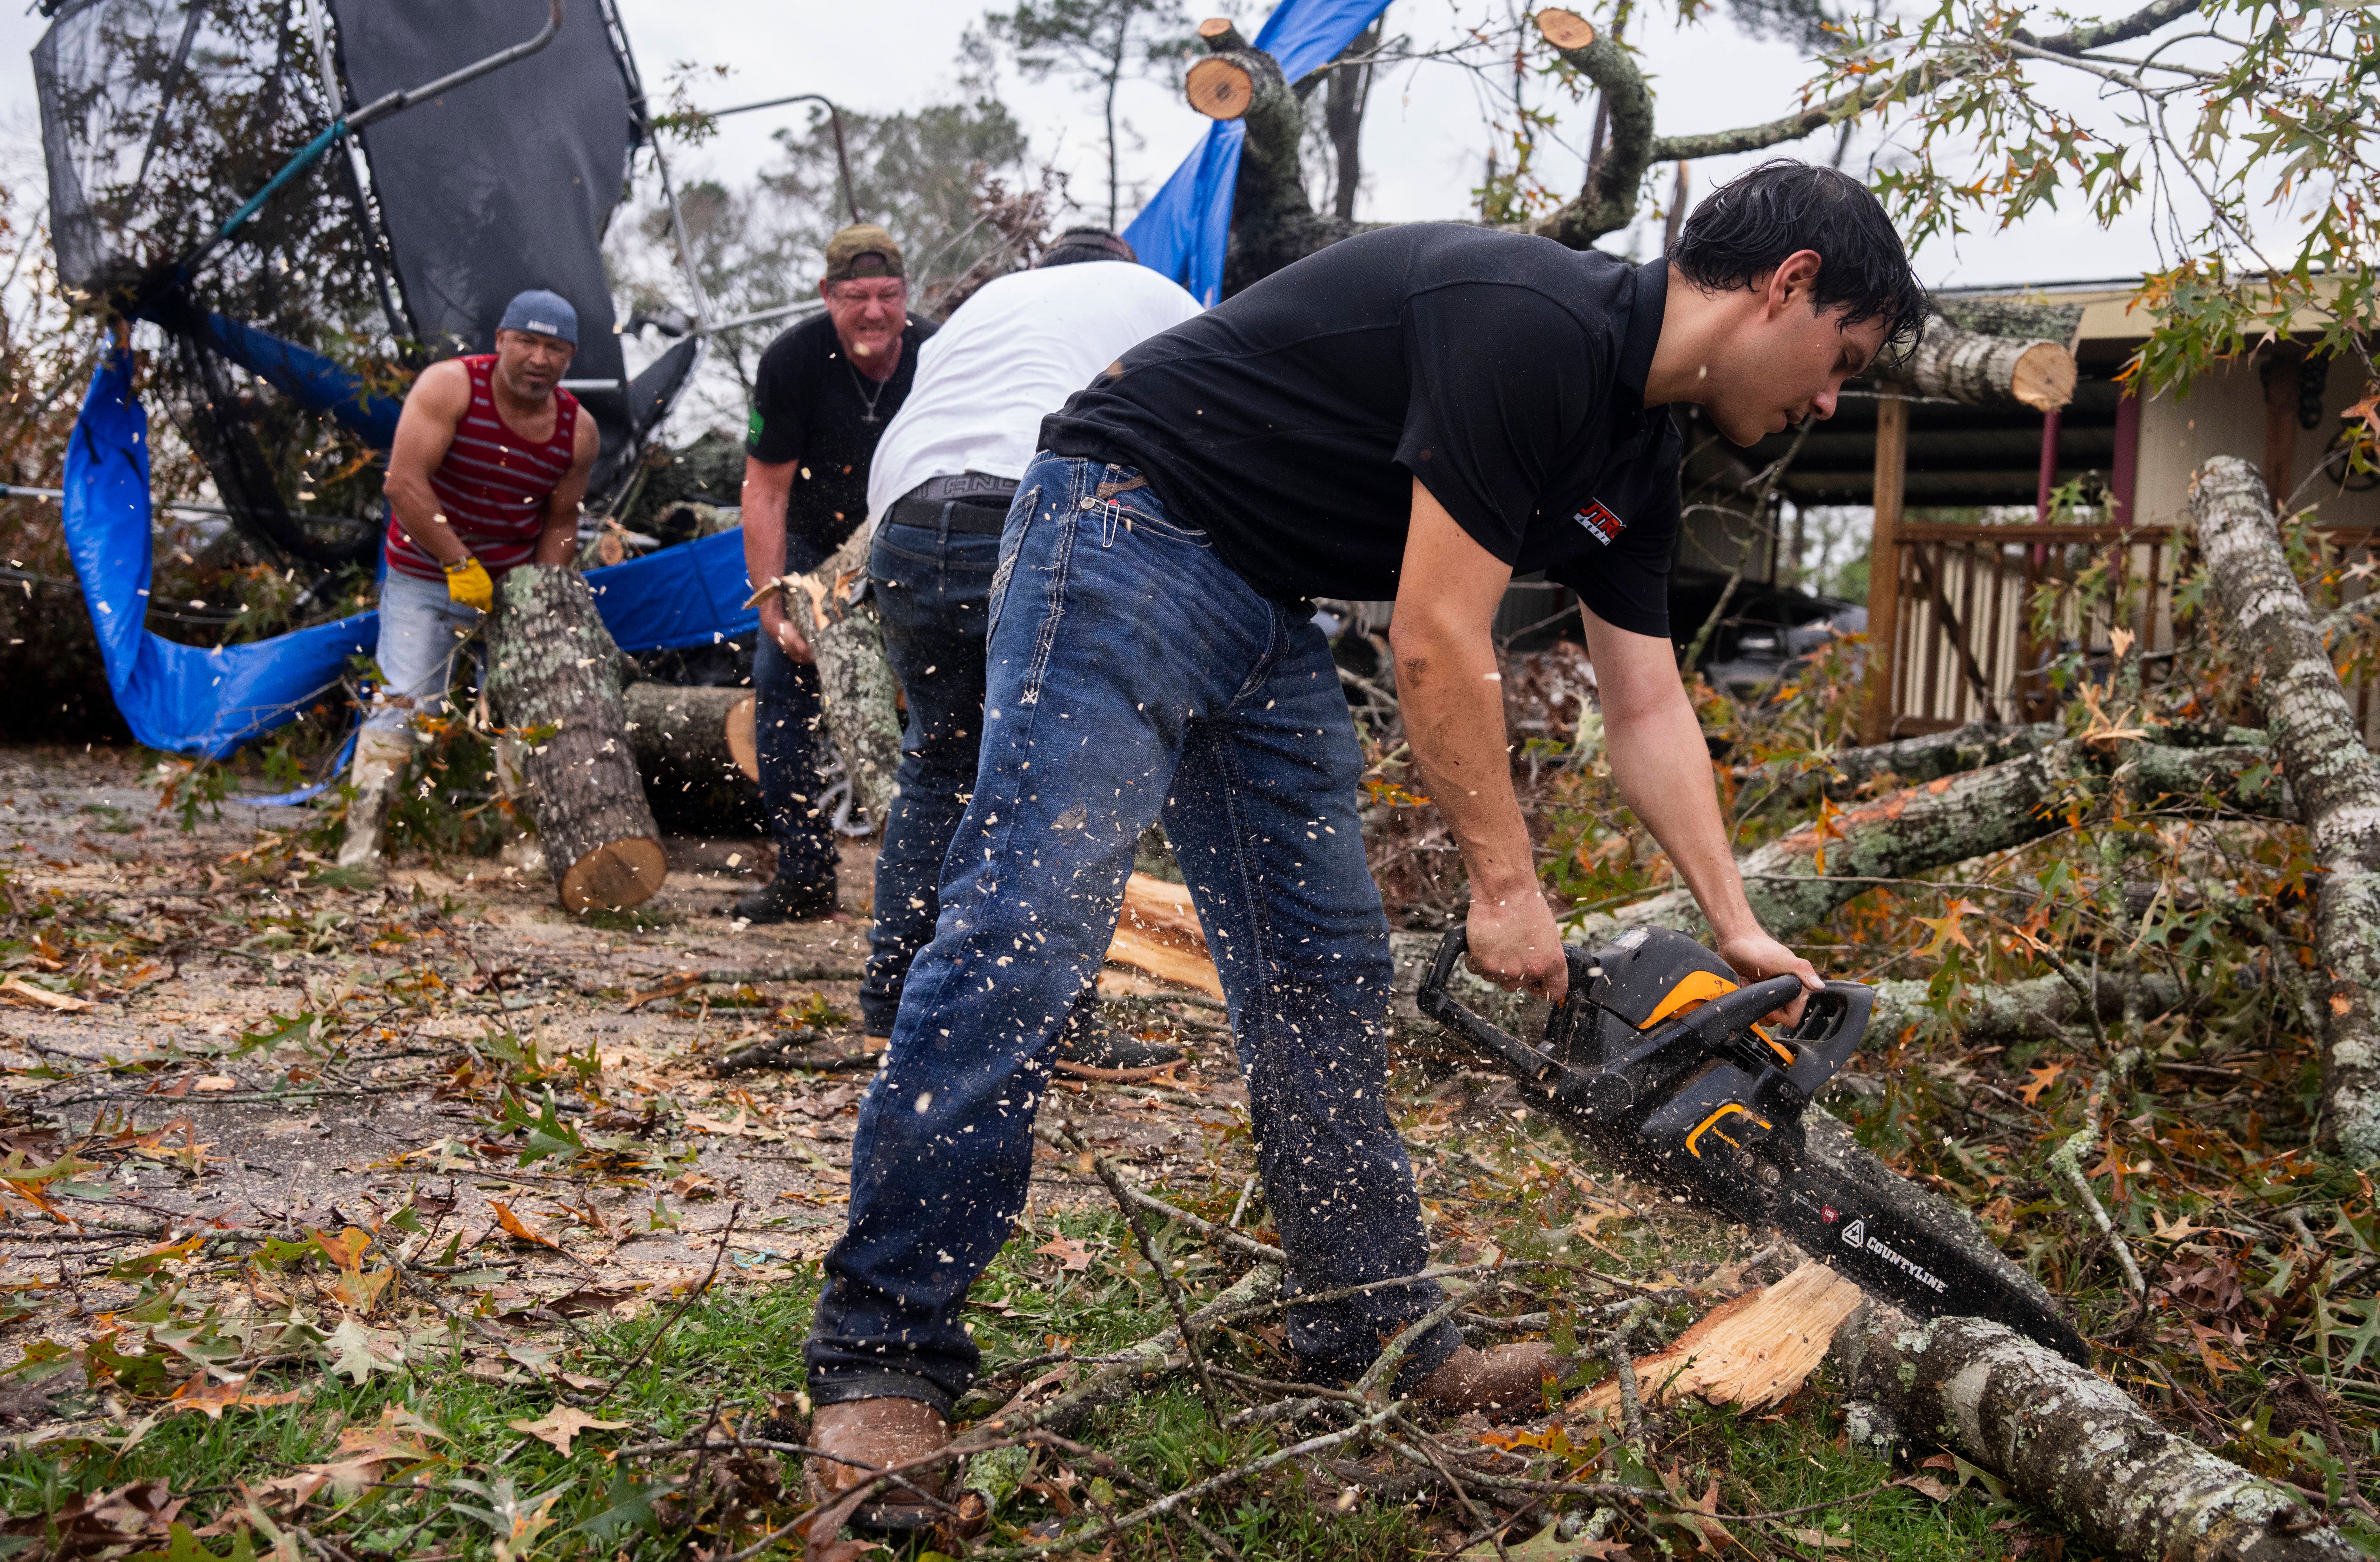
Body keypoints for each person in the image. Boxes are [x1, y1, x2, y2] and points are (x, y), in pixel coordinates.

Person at [798, 160, 1929, 1525]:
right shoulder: (1534, 316)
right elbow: (1436, 637)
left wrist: (1734, 920)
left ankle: (1371, 1330)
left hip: (1263, 598)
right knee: (1026, 931)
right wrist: (1505, 890)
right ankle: (881, 1359)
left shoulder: (1635, 454)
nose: (1825, 397)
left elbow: (1647, 701)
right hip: (1120, 527)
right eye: (1840, 359)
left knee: (1321, 979)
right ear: (1788, 283)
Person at [857, 226, 1202, 1074]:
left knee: (938, 763)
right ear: (1123, 268)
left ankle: (891, 1006)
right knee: (1068, 776)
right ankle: (1051, 1022)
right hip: (1023, 509)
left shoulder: (986, 303)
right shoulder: (1158, 297)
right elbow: (1215, 433)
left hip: (903, 522)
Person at [339, 289, 597, 877]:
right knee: (403, 699)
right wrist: (457, 563)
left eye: (554, 348)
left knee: (519, 709)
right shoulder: (450, 386)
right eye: (527, 341)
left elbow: (561, 519)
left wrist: (541, 593)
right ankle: (362, 843)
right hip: (425, 573)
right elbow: (404, 483)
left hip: (512, 583)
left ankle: (523, 845)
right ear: (502, 341)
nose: (539, 357)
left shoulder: (577, 431)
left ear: (569, 357)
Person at [735, 225, 939, 923]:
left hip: (913, 536)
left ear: (906, 294)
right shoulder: (792, 360)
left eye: (888, 295)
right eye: (856, 297)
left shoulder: (937, 351)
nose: (875, 313)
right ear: (827, 295)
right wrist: (772, 601)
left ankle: (933, 877)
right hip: (813, 544)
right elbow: (764, 488)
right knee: (779, 680)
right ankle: (803, 872)